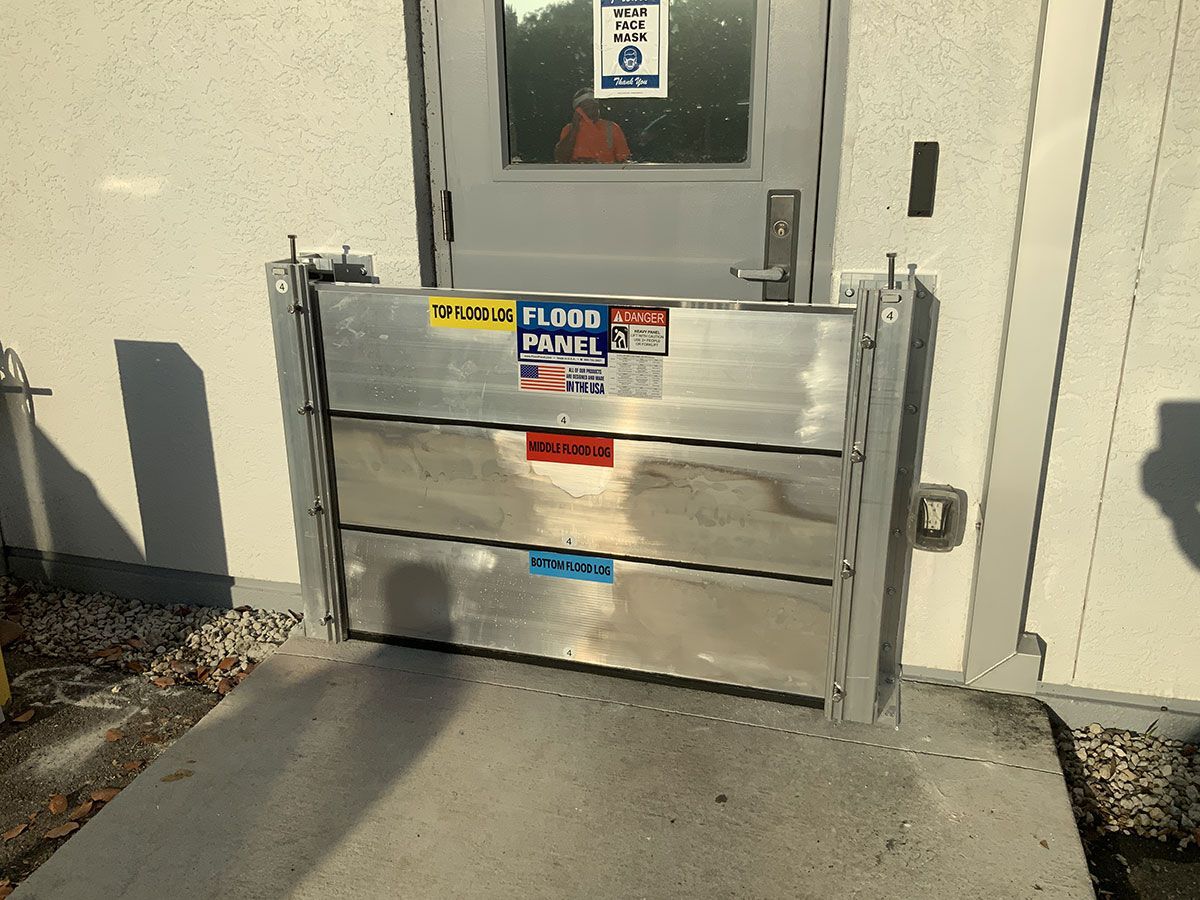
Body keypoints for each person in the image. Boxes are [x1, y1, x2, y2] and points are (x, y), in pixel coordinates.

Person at [554, 89, 631, 164]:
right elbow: (560, 158)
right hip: (577, 175)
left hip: (605, 175)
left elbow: (624, 161)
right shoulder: (569, 129)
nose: (592, 110)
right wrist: (574, 129)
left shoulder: (611, 127)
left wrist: (599, 163)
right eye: (587, 107)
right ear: (578, 110)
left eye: (594, 106)